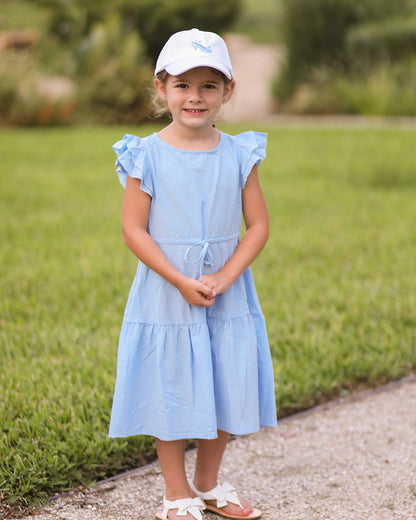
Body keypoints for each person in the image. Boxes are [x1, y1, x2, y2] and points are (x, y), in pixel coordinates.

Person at [109, 28, 277, 520]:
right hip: (168, 294)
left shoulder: (239, 153)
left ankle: (206, 482)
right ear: (160, 88)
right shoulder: (146, 154)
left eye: (209, 85)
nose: (195, 97)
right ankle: (176, 491)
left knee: (224, 381)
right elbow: (134, 230)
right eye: (183, 84)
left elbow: (259, 225)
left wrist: (224, 277)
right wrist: (180, 280)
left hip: (226, 294)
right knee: (173, 387)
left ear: (227, 92)